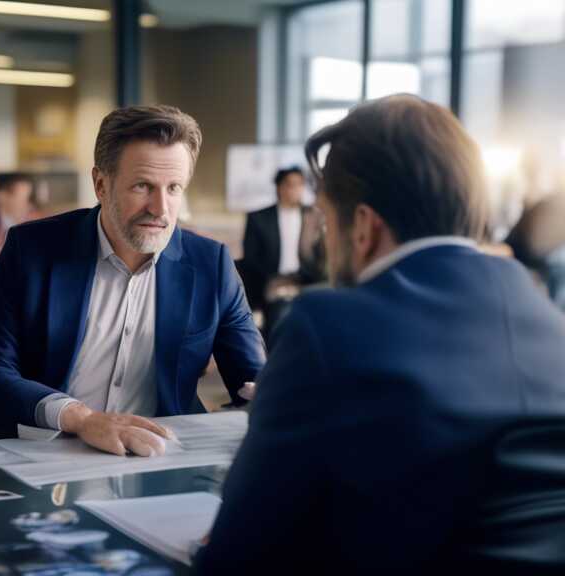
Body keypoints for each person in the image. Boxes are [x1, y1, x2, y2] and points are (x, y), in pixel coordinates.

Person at [194, 95, 565, 574]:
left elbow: (237, 555)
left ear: (364, 227)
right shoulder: (548, 319)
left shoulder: (327, 327)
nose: (324, 241)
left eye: (326, 220)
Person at [0, 105, 266, 456]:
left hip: (155, 456)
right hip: (44, 449)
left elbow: (252, 377)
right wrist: (81, 418)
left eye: (173, 188)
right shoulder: (31, 250)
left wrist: (272, 394)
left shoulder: (211, 264)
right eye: (142, 186)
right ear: (100, 184)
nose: (160, 208)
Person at [239, 166, 325, 318]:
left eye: (300, 184)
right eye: (290, 184)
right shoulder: (259, 218)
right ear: (279, 187)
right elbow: (251, 260)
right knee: (282, 312)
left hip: (307, 281)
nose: (295, 189)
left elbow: (322, 255)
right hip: (272, 281)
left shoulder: (314, 216)